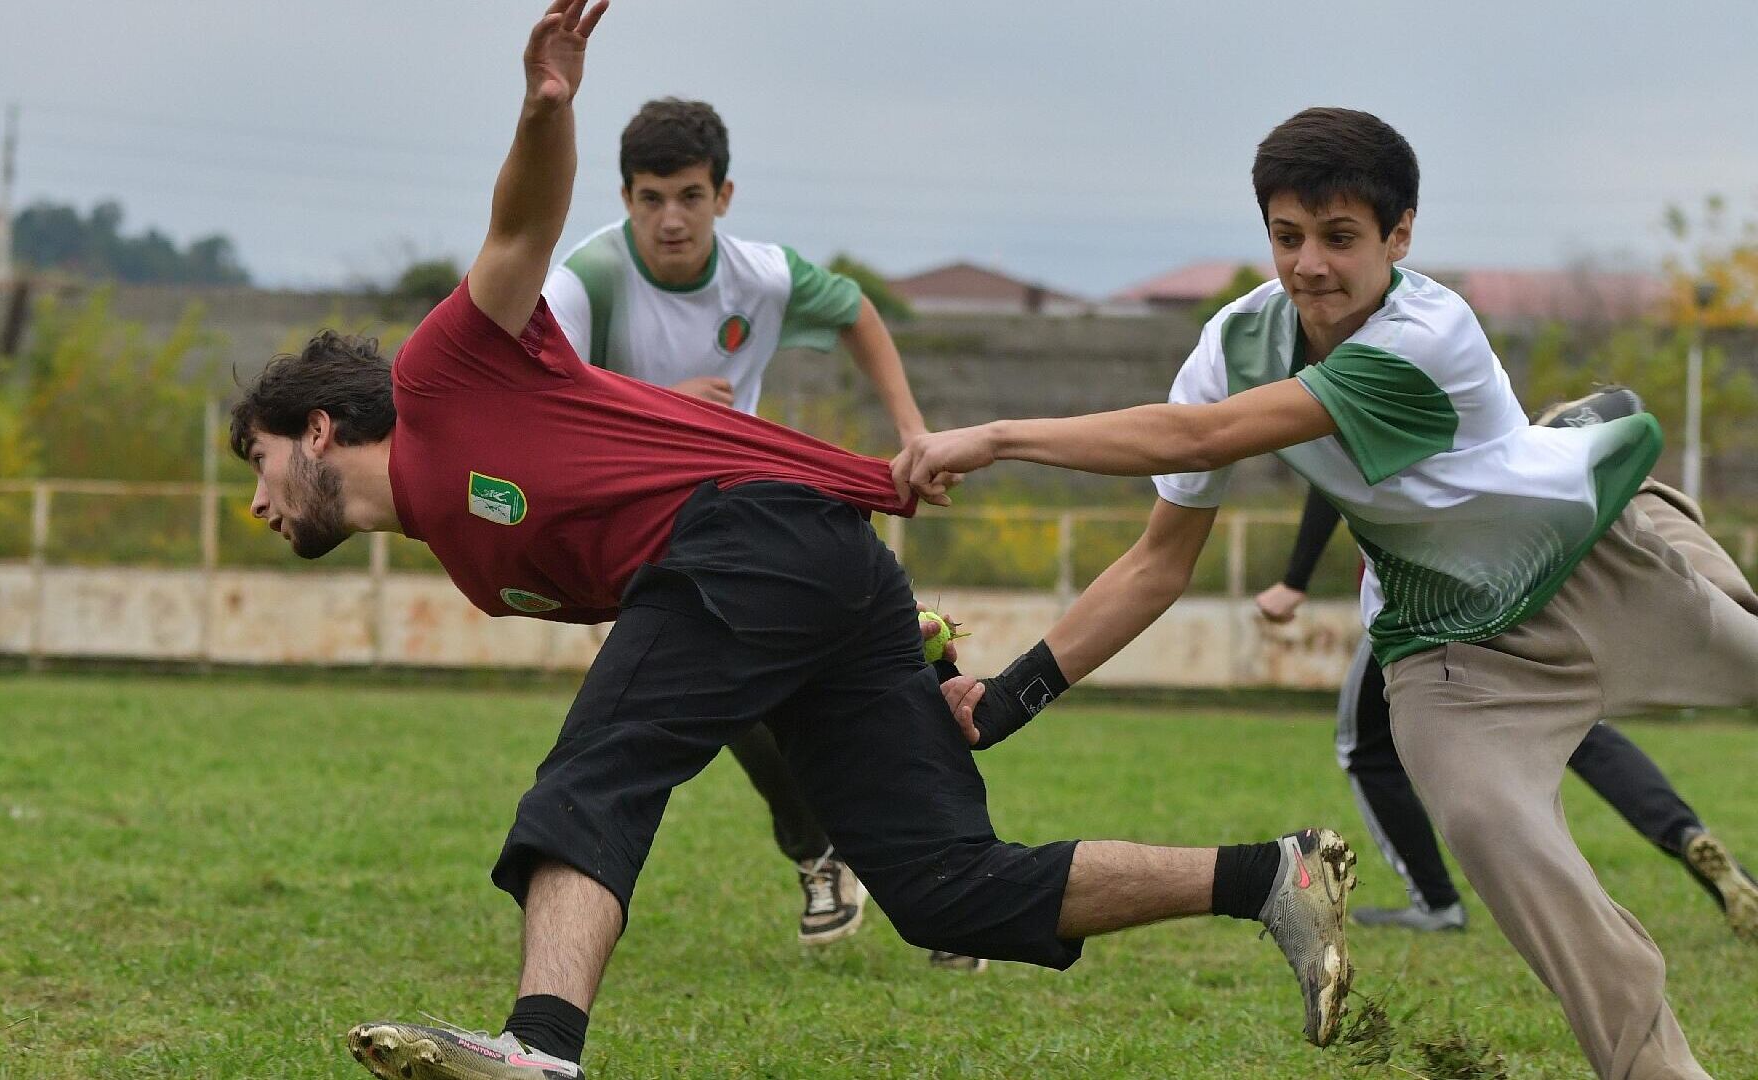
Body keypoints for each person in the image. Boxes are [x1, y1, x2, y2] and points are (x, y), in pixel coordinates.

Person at [231, 7, 1356, 1078]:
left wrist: (545, 106)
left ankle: (540, 1048)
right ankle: (1273, 877)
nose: (258, 501)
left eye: (259, 461)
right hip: (804, 568)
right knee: (946, 891)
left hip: (748, 531)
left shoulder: (443, 374)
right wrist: (884, 629)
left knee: (595, 774)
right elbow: (698, 626)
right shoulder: (478, 567)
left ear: (319, 428)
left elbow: (521, 226)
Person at [895, 107, 1757, 1079]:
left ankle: (1653, 507)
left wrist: (999, 437)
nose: (1310, 265)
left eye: (1340, 238)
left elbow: (1200, 440)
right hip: (1447, 651)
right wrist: (1007, 698)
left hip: (1588, 564)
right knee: (1493, 836)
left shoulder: (1427, 333)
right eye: (1287, 236)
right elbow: (1157, 563)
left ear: (1400, 236)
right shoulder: (1235, 343)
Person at [541, 97, 974, 966]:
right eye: (652, 197)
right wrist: (655, 408)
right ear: (624, 197)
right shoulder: (584, 280)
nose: (671, 218)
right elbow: (540, 389)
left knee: (829, 697)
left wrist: (913, 431)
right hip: (646, 538)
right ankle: (857, 857)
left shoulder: (761, 276)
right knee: (745, 706)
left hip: (756, 519)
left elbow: (855, 311)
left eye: (690, 196)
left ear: (724, 195)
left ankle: (950, 879)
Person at [1255, 385, 1758, 939]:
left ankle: (1436, 902)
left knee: (1367, 747)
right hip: (1524, 580)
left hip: (1424, 599)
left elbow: (1330, 476)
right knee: (1580, 730)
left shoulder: (1356, 379)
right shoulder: (1455, 369)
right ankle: (1686, 834)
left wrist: (1294, 579)